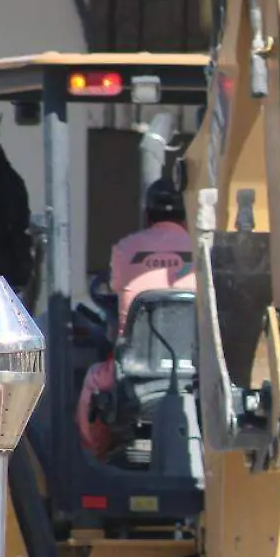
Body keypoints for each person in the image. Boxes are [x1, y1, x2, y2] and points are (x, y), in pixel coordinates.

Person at [75, 178, 196, 456]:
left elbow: (117, 289)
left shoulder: (126, 249)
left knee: (93, 379)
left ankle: (95, 454)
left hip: (134, 373)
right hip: (196, 373)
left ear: (148, 214)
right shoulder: (202, 251)